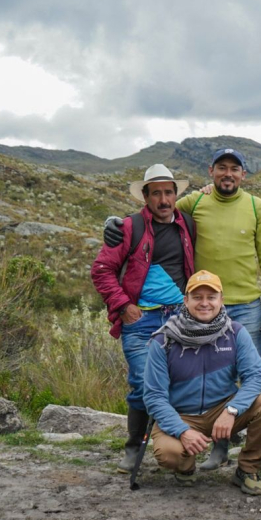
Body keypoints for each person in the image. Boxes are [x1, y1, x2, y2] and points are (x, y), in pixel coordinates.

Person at [105, 148, 261, 472]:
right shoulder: (194, 204)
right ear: (211, 172)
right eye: (221, 168)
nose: (228, 174)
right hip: (199, 305)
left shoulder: (252, 206)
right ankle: (205, 448)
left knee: (248, 377)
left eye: (235, 169)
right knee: (160, 380)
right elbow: (148, 217)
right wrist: (113, 224)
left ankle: (260, 449)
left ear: (244, 174)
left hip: (243, 306)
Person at [91, 164, 195, 472]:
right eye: (156, 194)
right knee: (141, 382)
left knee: (180, 383)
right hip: (141, 322)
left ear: (176, 195)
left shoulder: (188, 224)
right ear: (146, 197)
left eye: (168, 193)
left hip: (179, 319)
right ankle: (134, 445)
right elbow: (101, 271)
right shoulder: (128, 227)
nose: (163, 200)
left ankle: (177, 448)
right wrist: (123, 306)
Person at [143, 270, 261, 495]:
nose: (204, 303)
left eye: (211, 297)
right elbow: (154, 397)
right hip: (181, 414)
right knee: (169, 453)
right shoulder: (164, 340)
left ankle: (247, 469)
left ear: (221, 300)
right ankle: (185, 467)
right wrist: (182, 430)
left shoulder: (235, 332)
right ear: (185, 300)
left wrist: (232, 410)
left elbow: (256, 377)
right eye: (197, 297)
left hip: (223, 408)